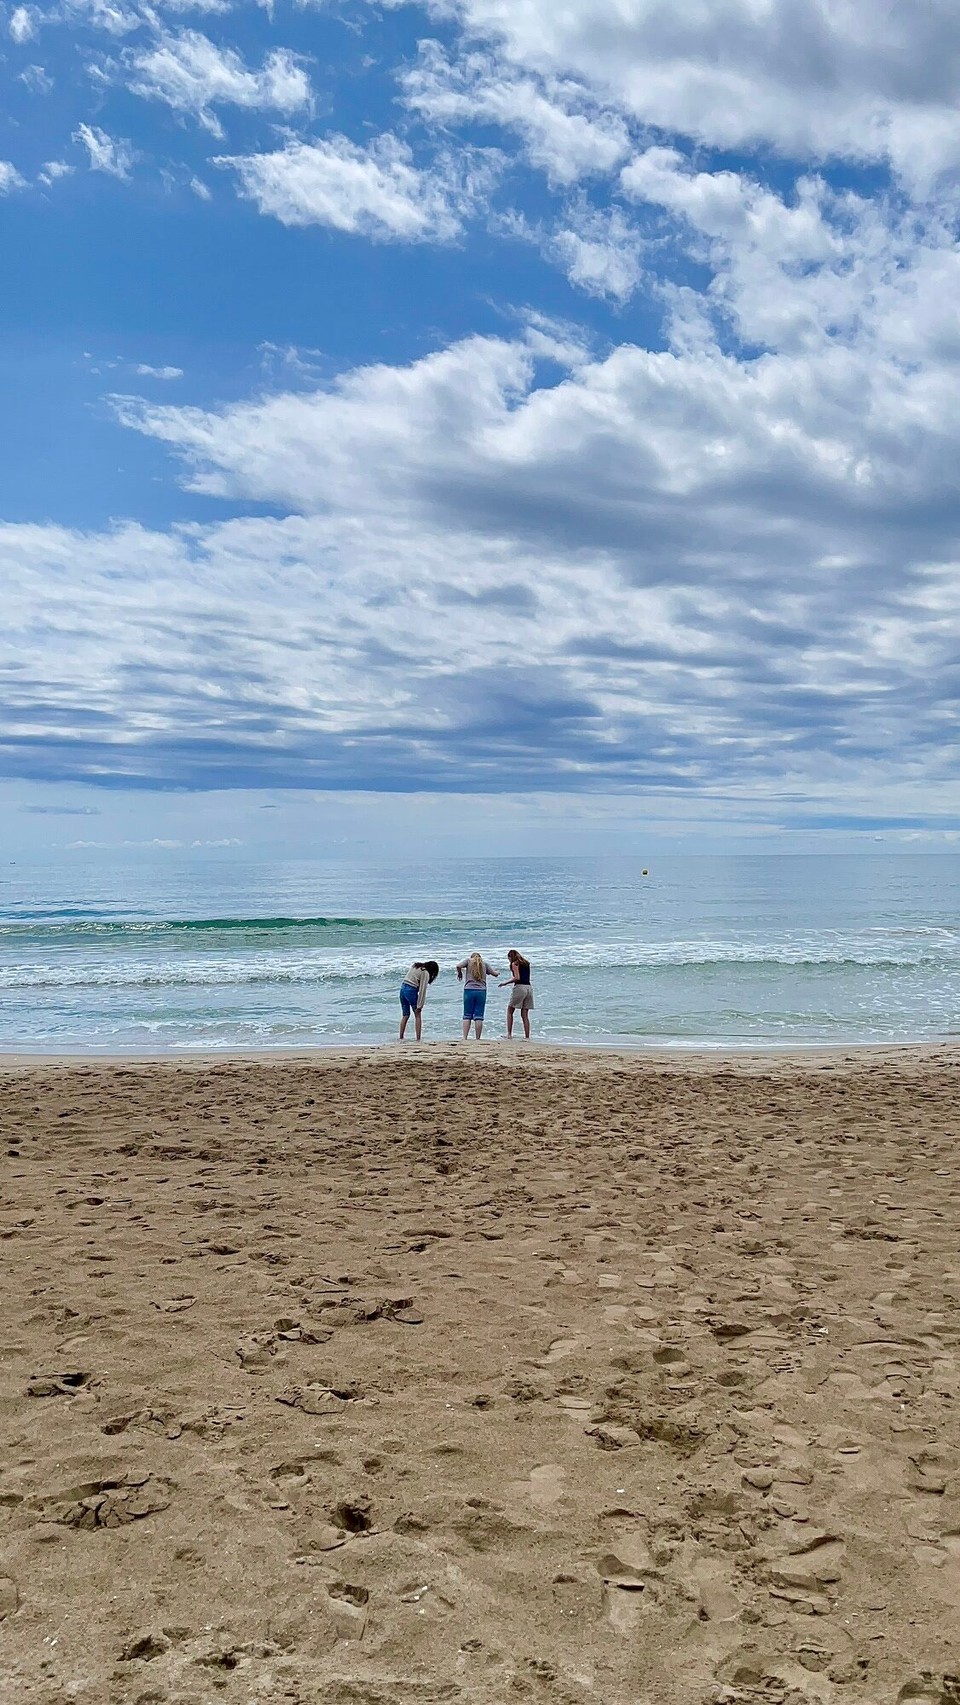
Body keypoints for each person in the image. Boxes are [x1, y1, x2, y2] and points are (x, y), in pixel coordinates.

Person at [456, 950, 500, 1040]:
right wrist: (497, 972)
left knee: (467, 1015)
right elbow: (495, 974)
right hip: (481, 991)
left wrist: (459, 973)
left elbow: (458, 966)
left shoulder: (468, 961)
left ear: (472, 957)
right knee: (479, 1016)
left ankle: (465, 1037)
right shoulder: (484, 964)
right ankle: (478, 1038)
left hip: (468, 990)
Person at [398, 960, 439, 1041]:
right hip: (411, 990)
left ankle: (401, 1037)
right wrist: (420, 1005)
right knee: (417, 1015)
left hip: (403, 988)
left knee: (405, 1015)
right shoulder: (425, 972)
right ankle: (418, 1038)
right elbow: (422, 990)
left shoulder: (415, 966)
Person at [501, 948, 533, 1039]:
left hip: (520, 988)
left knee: (510, 1010)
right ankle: (527, 1036)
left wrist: (505, 983)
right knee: (525, 1014)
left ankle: (509, 1034)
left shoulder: (514, 964)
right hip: (529, 988)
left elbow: (517, 977)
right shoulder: (526, 963)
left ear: (511, 957)